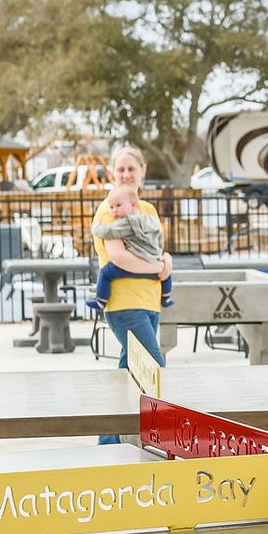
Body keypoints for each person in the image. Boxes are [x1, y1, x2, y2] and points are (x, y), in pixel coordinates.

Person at [92, 148, 169, 445]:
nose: (126, 174)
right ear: (113, 172)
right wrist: (157, 267)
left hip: (149, 302)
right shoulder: (110, 209)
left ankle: (110, 442)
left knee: (130, 370)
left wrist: (167, 261)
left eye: (131, 169)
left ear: (142, 171)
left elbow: (155, 247)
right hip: (125, 304)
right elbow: (119, 257)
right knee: (153, 365)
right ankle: (123, 440)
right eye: (120, 169)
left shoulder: (147, 210)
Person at [92, 185, 174, 308]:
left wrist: (96, 227)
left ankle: (100, 301)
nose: (114, 210)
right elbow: (159, 236)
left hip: (135, 266)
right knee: (166, 275)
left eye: (118, 206)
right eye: (112, 207)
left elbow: (109, 231)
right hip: (154, 263)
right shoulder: (148, 219)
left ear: (132, 204)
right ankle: (166, 297)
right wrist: (157, 255)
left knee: (105, 272)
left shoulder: (126, 222)